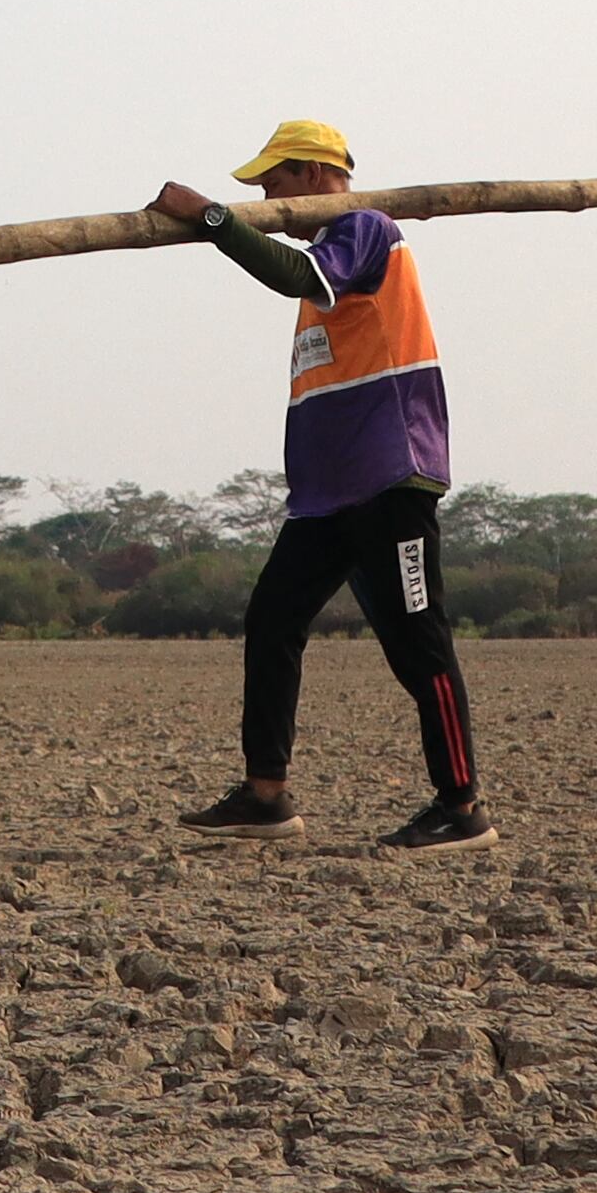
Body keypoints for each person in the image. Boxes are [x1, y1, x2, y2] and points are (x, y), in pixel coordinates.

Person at [149, 120, 494, 854]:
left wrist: (211, 217)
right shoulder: (328, 260)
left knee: (419, 643)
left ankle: (461, 806)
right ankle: (265, 795)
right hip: (327, 496)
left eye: (272, 182)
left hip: (391, 480)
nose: (266, 196)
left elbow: (293, 275)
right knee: (272, 618)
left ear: (311, 175)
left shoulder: (366, 230)